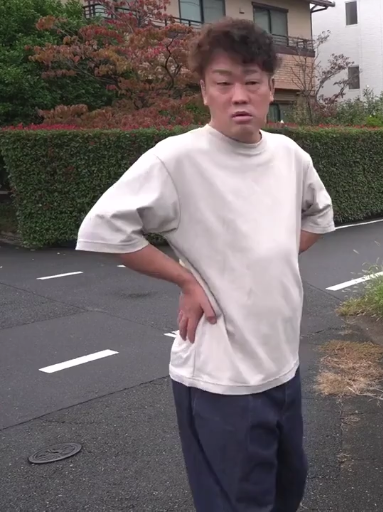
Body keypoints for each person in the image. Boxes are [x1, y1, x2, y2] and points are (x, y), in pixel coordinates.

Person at [74, 18, 335, 511]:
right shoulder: (177, 159)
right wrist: (186, 279)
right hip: (221, 381)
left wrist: (267, 258)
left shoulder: (289, 156)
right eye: (223, 82)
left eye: (251, 82)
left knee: (287, 490)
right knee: (239, 503)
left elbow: (318, 216)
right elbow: (105, 230)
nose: (239, 96)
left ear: (270, 88)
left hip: (282, 367)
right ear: (203, 91)